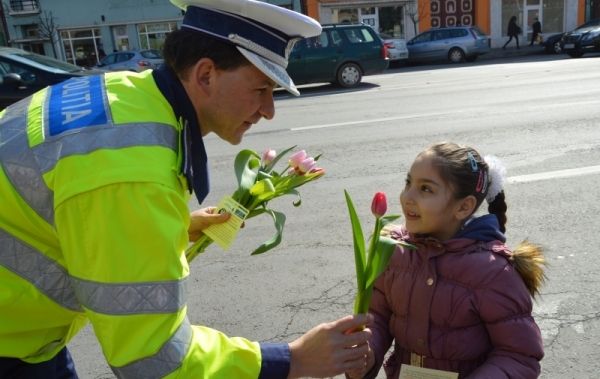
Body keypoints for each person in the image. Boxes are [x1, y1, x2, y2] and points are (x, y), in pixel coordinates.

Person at [0, 0, 372, 378]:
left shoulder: (125, 92)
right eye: (261, 88)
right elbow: (153, 359)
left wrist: (173, 226)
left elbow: (62, 208)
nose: (268, 110)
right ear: (206, 74)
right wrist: (291, 360)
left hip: (24, 336)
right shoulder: (133, 176)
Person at [346, 142, 546, 378]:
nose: (407, 197)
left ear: (463, 207)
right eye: (408, 182)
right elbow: (377, 317)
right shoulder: (396, 252)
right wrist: (366, 355)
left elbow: (519, 355)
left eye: (426, 189)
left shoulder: (491, 271)